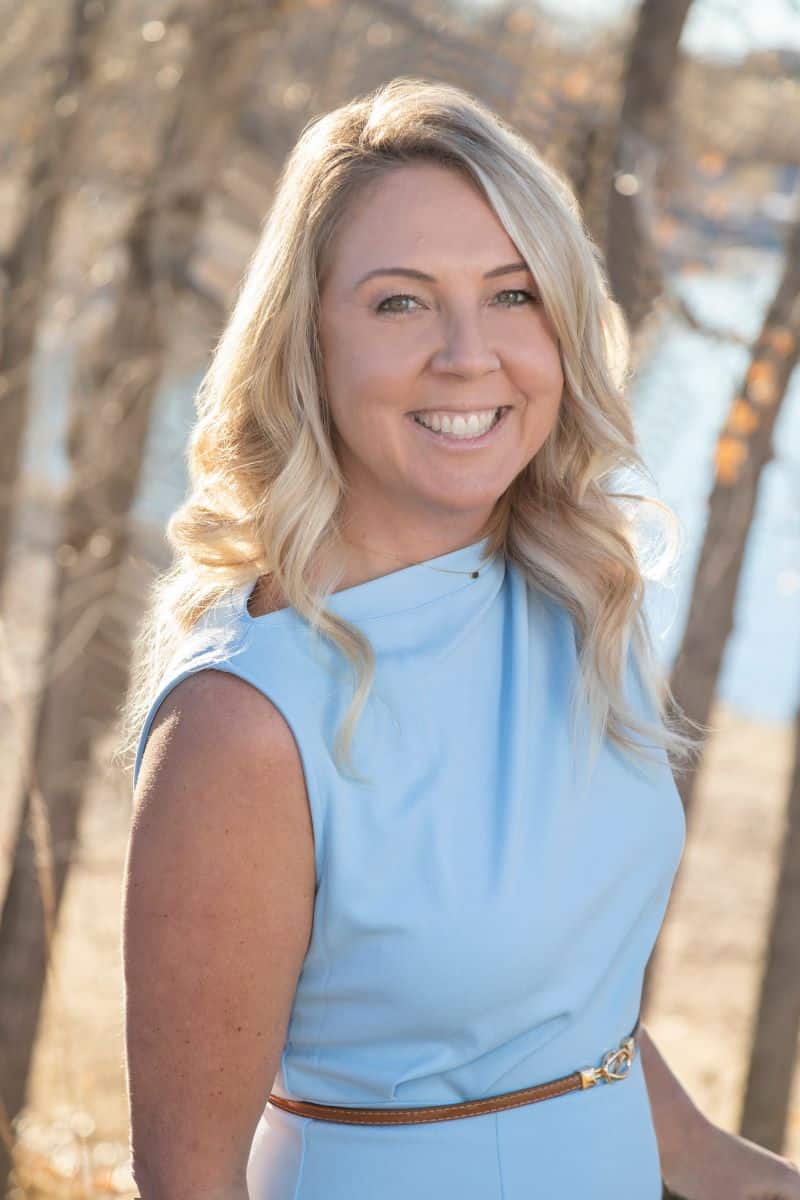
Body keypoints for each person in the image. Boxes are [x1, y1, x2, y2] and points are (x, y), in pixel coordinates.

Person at [118, 77, 800, 1200]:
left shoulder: (575, 600)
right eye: (399, 303)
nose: (467, 355)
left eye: (511, 295)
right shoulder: (243, 723)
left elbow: (568, 1024)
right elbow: (188, 1178)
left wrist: (743, 1174)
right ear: (306, 343)